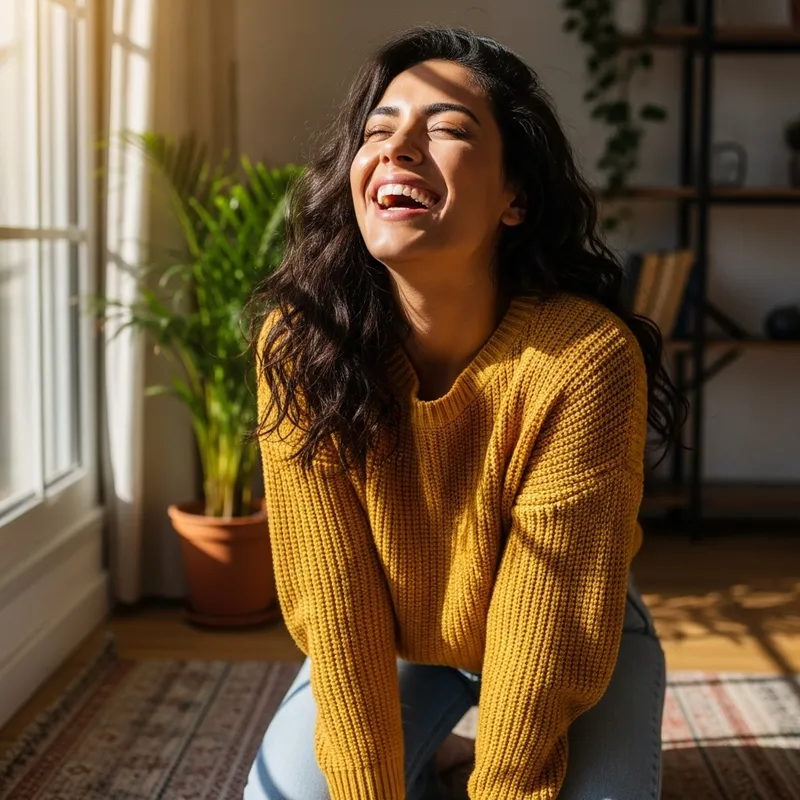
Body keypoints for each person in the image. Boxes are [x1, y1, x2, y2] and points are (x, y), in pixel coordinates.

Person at [245, 26, 685, 800]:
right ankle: (445, 748)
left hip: (575, 623)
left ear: (515, 197)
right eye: (378, 131)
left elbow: (547, 621)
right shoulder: (302, 345)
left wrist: (511, 784)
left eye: (446, 128)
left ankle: (464, 753)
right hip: (400, 635)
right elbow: (337, 600)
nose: (398, 148)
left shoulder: (584, 359)